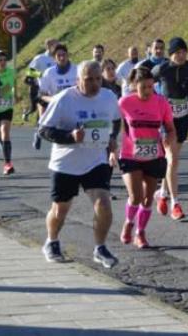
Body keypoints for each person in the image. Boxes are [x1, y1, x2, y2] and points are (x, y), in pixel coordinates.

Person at [38, 61, 121, 268]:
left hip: (95, 160)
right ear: (77, 81)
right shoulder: (64, 99)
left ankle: (100, 248)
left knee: (103, 203)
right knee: (60, 210)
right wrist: (70, 136)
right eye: (88, 80)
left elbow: (116, 120)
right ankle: (52, 241)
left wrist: (111, 137)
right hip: (65, 163)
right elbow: (43, 130)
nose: (94, 84)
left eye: (98, 79)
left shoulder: (109, 97)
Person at [151, 37, 188, 221]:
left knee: (172, 161)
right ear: (171, 54)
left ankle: (162, 193)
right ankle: (175, 204)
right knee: (172, 161)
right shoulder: (162, 69)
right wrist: (154, 100)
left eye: (184, 52)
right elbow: (143, 82)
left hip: (183, 119)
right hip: (165, 122)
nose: (181, 55)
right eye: (177, 52)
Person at [117, 66, 175, 249]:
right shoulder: (125, 102)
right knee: (136, 196)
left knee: (148, 198)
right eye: (144, 88)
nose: (149, 91)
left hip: (154, 155)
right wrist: (111, 148)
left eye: (151, 87)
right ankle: (128, 222)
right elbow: (113, 126)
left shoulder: (161, 102)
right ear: (135, 85)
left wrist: (168, 137)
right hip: (130, 155)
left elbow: (171, 128)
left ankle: (140, 233)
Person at [0, 51, 16, 175]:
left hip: (6, 107)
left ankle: (8, 164)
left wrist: (14, 95)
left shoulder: (11, 72)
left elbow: (10, 86)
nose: (2, 62)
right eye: (0, 60)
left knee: (5, 131)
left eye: (4, 60)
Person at [24, 38, 58, 121]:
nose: (57, 47)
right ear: (48, 46)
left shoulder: (59, 58)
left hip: (55, 89)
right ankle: (39, 127)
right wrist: (41, 75)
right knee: (41, 111)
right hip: (42, 89)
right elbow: (28, 71)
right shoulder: (40, 58)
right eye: (55, 45)